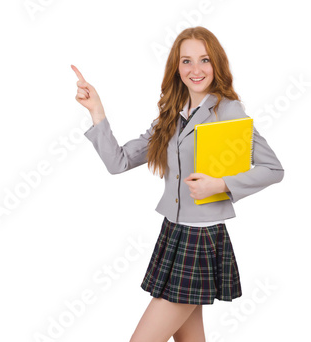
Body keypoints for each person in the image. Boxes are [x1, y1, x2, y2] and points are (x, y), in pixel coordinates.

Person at [72, 26, 283, 342]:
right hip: (173, 231)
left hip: (201, 238)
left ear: (217, 65)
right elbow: (119, 162)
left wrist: (220, 185)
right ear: (177, 67)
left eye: (204, 60)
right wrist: (97, 111)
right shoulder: (171, 113)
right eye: (186, 61)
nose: (195, 70)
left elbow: (272, 168)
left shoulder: (227, 110)